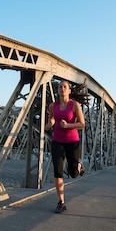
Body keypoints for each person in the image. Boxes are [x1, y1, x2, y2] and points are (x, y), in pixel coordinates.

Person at [45, 80, 88, 213]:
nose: (62, 89)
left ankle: (79, 165)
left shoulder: (75, 105)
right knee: (57, 172)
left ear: (69, 91)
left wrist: (68, 126)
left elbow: (82, 124)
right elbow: (52, 118)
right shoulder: (53, 106)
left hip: (72, 141)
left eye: (65, 87)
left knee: (73, 173)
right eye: (60, 87)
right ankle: (61, 202)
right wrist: (50, 124)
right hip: (57, 141)